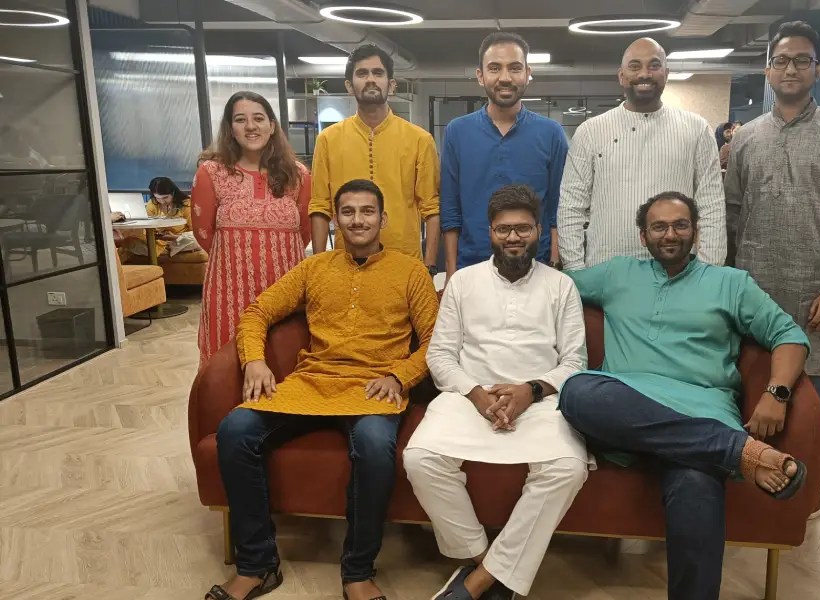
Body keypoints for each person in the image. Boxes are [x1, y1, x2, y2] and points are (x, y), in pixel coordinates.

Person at [558, 191, 811, 600]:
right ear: (643, 236)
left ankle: (722, 450)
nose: (670, 234)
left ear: (696, 231)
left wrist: (777, 393)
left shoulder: (731, 283)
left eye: (680, 225)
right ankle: (738, 452)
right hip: (623, 415)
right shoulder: (617, 273)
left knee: (696, 482)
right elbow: (552, 286)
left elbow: (789, 335)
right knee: (577, 391)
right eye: (658, 227)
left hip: (702, 411)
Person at [204, 179, 439, 600]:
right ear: (335, 221)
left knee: (374, 446)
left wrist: (399, 377)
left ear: (383, 219)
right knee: (235, 430)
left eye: (367, 211)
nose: (357, 220)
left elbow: (436, 340)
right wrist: (254, 359)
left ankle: (357, 573)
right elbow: (257, 311)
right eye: (347, 212)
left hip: (374, 389)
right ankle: (257, 565)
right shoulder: (314, 268)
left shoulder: (411, 271)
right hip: (312, 383)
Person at [404, 184, 588, 600]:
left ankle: (478, 582)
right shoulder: (463, 283)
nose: (513, 237)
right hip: (469, 397)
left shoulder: (561, 286)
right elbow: (440, 356)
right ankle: (485, 562)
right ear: (490, 232)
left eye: (523, 228)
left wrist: (530, 391)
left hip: (540, 402)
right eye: (504, 229)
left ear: (538, 231)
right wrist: (476, 394)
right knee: (420, 458)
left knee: (568, 467)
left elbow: (576, 362)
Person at [725, 21, 820, 435]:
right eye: (781, 61)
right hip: (752, 289)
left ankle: (806, 476)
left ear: (818, 69)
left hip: (815, 294)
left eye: (802, 60)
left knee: (811, 404)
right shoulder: (746, 137)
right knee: (747, 386)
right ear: (768, 71)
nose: (791, 69)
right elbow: (731, 214)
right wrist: (726, 284)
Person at [557, 37, 726, 271]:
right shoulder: (590, 132)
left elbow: (711, 206)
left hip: (679, 274)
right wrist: (576, 272)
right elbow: (571, 207)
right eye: (635, 66)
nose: (644, 73)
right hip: (606, 273)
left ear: (666, 74)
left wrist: (708, 273)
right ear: (621, 76)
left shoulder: (696, 129)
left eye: (654, 65)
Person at [192, 91, 311, 368]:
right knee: (226, 369)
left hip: (283, 289)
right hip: (229, 290)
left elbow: (304, 232)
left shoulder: (298, 175)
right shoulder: (211, 173)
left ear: (272, 126)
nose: (250, 126)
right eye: (240, 120)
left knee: (284, 362)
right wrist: (240, 258)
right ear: (230, 128)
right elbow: (204, 234)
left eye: (258, 118)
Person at [440, 32, 569, 281]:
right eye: (495, 68)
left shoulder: (551, 133)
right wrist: (451, 273)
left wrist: (554, 264)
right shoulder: (457, 131)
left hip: (536, 268)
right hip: (471, 268)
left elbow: (558, 207)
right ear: (480, 75)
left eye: (515, 68)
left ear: (528, 73)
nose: (505, 77)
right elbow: (450, 208)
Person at [308, 44, 440, 274]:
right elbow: (320, 206)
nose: (370, 79)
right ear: (349, 86)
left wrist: (428, 267)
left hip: (405, 265)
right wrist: (318, 269)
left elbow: (431, 208)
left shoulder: (419, 139)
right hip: (345, 266)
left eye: (378, 73)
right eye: (362, 73)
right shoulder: (328, 139)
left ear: (392, 84)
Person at [117, 177, 193, 261]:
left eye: (165, 197)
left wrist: (174, 237)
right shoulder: (153, 203)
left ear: (173, 192)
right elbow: (146, 225)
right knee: (128, 242)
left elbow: (194, 231)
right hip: (157, 241)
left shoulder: (186, 204)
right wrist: (157, 235)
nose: (162, 201)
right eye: (158, 198)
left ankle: (157, 250)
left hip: (179, 241)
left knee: (194, 240)